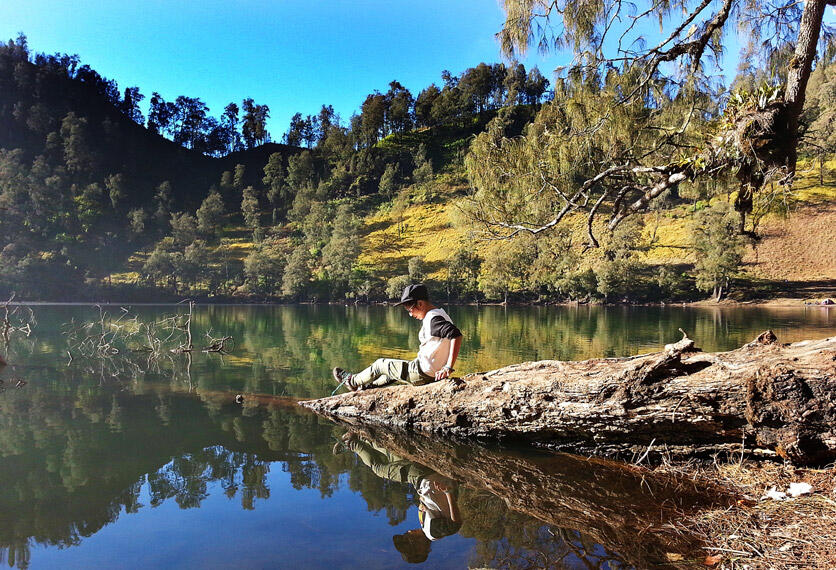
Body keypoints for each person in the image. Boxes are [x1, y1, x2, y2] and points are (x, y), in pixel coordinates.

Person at [338, 431, 462, 564]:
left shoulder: (427, 526)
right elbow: (455, 525)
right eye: (407, 537)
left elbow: (445, 508)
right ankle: (352, 443)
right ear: (418, 547)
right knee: (378, 468)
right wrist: (448, 492)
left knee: (393, 457)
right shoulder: (432, 533)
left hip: (422, 475)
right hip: (420, 476)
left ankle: (361, 435)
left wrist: (450, 490)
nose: (408, 532)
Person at [332, 283, 462, 391]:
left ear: (420, 304)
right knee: (393, 371)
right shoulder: (441, 314)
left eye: (410, 310)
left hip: (423, 374)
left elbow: (456, 335)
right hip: (430, 373)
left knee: (380, 365)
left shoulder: (432, 319)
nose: (411, 314)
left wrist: (448, 367)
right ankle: (368, 387)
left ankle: (352, 381)